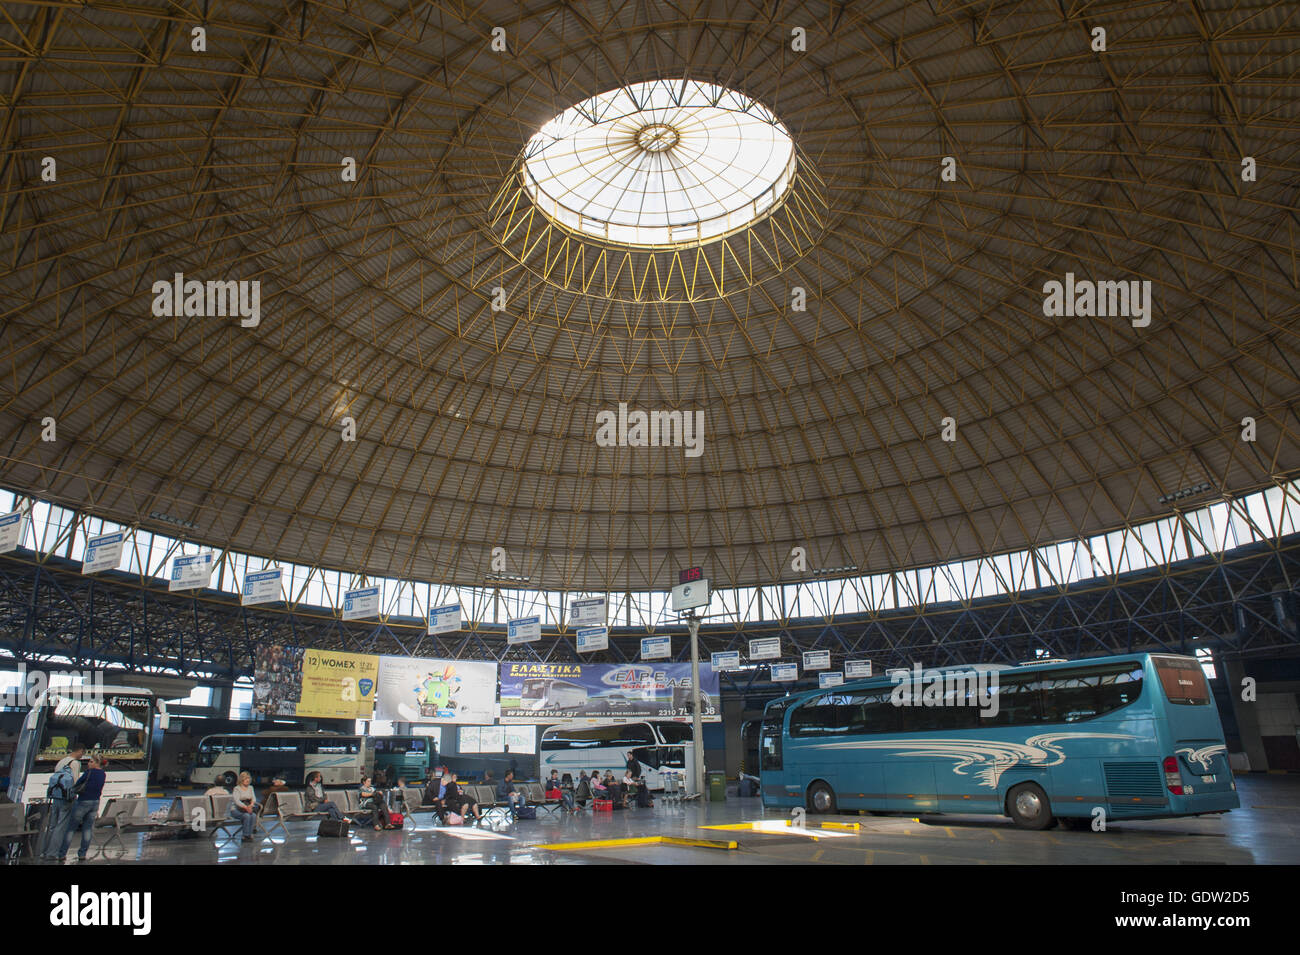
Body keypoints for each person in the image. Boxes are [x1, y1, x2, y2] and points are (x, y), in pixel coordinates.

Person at [55, 755, 107, 862]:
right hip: (95, 803)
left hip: (83, 802)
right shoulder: (103, 774)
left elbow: (77, 784)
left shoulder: (89, 772)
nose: (89, 763)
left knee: (71, 829)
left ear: (97, 763)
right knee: (87, 829)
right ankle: (82, 853)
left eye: (91, 761)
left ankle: (62, 854)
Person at [40, 744, 86, 860]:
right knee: (61, 826)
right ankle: (53, 853)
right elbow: (75, 782)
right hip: (66, 798)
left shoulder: (61, 761)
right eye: (83, 753)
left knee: (52, 825)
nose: (82, 756)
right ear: (80, 751)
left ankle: (44, 851)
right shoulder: (75, 763)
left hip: (56, 796)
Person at [227, 771, 260, 842]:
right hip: (236, 810)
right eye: (245, 778)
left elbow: (253, 798)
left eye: (248, 778)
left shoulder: (251, 788)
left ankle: (249, 834)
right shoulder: (237, 789)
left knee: (253, 815)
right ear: (241, 780)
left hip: (248, 808)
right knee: (246, 816)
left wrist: (251, 805)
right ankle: (245, 835)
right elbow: (237, 801)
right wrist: (246, 807)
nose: (247, 780)